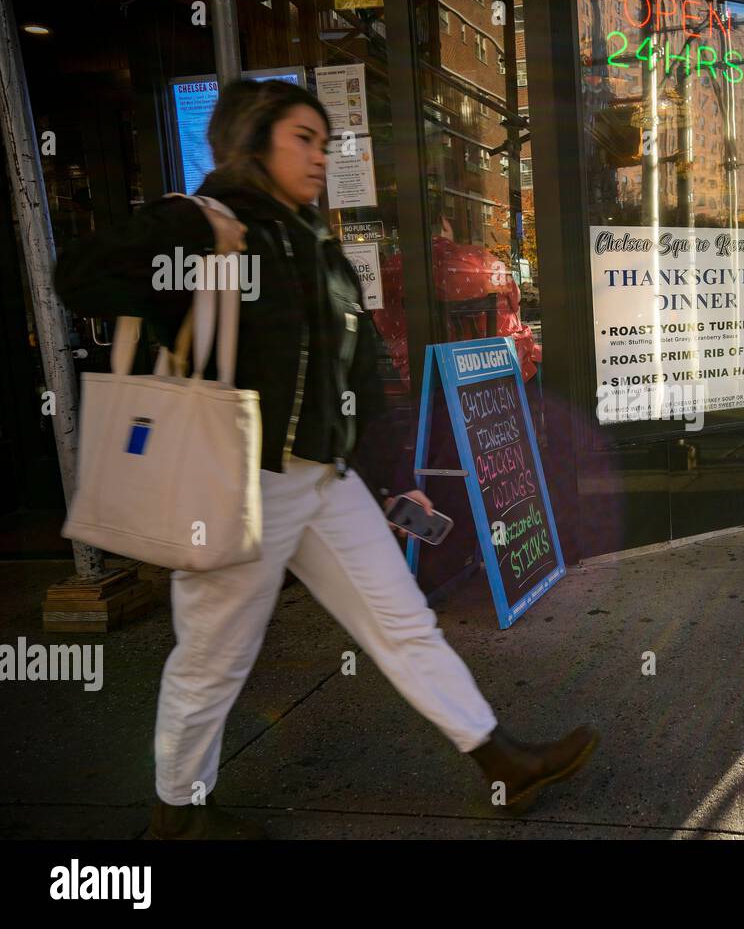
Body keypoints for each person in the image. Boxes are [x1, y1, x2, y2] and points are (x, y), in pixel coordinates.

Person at [55, 80, 597, 838]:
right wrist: (194, 250)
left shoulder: (316, 243)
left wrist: (398, 481)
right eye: (302, 138)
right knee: (214, 656)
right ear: (254, 141)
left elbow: (362, 379)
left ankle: (501, 758)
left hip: (325, 481)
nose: (320, 154)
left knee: (404, 622)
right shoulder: (200, 220)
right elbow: (77, 277)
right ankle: (177, 814)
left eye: (324, 140)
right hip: (235, 481)